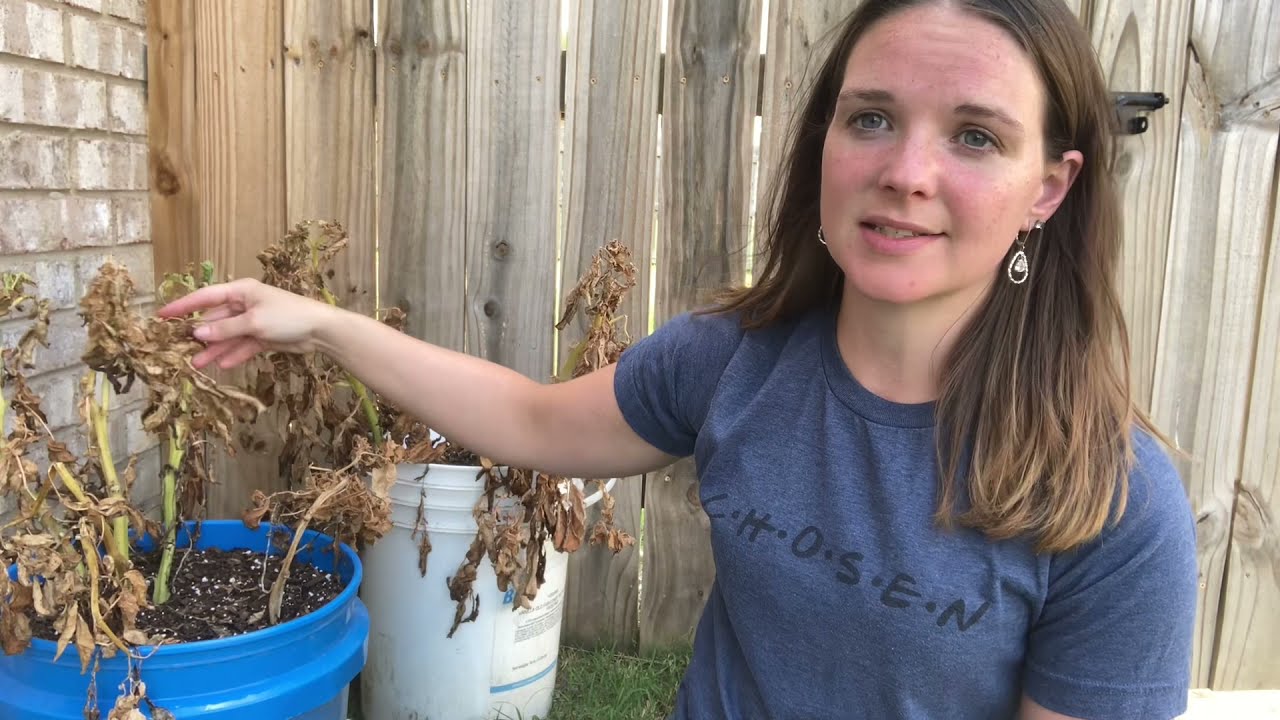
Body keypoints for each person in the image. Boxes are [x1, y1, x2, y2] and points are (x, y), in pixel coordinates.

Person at [159, 0, 1199, 717]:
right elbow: (528, 421)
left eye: (974, 136)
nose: (904, 172)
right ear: (824, 143)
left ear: (1048, 189)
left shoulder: (1111, 504)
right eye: (871, 118)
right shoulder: (731, 363)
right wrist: (322, 324)